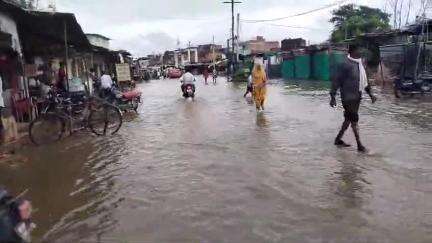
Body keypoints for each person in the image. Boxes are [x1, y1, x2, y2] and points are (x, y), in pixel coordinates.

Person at [330, 44, 377, 152]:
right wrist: (332, 96)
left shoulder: (360, 64)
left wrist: (371, 95)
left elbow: (364, 82)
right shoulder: (345, 64)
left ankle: (338, 139)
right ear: (352, 52)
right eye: (358, 49)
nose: (360, 51)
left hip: (357, 97)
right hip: (347, 97)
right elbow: (336, 81)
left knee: (348, 120)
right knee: (354, 120)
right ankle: (360, 145)